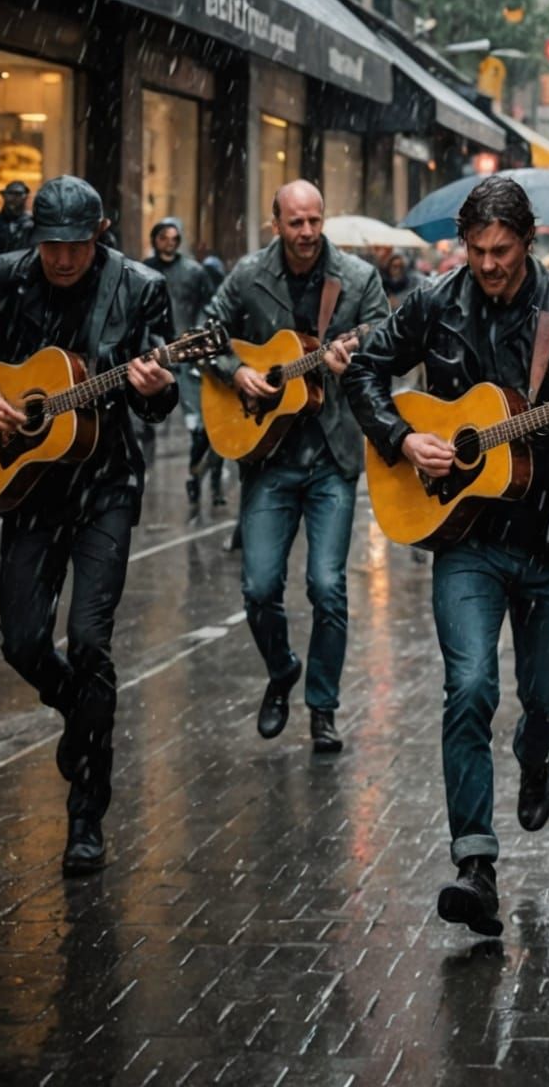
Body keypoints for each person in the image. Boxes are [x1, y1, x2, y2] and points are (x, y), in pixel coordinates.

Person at [346, 175, 549, 938]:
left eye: (501, 251)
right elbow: (367, 370)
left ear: (528, 241)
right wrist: (401, 437)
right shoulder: (436, 300)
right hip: (465, 537)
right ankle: (475, 862)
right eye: (476, 250)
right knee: (467, 689)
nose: (488, 265)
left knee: (547, 701)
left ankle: (535, 755)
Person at [0, 176, 177, 873]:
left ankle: (87, 810)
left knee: (91, 641)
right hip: (27, 485)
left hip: (105, 487)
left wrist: (157, 388)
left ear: (98, 235)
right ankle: (81, 713)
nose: (61, 260)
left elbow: (163, 398)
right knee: (22, 643)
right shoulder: (5, 276)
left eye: (74, 246)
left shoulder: (140, 288)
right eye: (49, 246)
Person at [203, 181, 389, 755]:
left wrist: (353, 357)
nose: (306, 233)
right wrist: (236, 371)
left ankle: (323, 707)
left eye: (314, 221)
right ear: (276, 222)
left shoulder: (357, 280)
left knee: (327, 586)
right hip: (269, 455)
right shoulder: (249, 275)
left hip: (333, 453)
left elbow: (387, 338)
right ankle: (282, 669)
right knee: (259, 586)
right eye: (295, 223)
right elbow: (204, 336)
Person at [145, 217, 225, 511]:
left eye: (173, 237)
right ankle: (146, 473)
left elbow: (209, 307)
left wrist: (198, 340)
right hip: (156, 354)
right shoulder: (144, 270)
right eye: (163, 237)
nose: (169, 242)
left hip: (189, 355)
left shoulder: (194, 272)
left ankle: (204, 479)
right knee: (146, 421)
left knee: (203, 425)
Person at [0, 179, 33, 260]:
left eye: (18, 195)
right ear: (4, 196)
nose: (13, 199)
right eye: (10, 194)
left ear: (25, 197)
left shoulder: (32, 224)